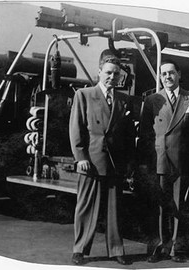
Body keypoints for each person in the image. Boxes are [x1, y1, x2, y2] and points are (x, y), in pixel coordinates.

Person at [69, 55, 135, 266]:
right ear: (99, 72)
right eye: (108, 72)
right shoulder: (84, 95)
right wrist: (80, 158)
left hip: (115, 163)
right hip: (92, 161)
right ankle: (80, 249)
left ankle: (116, 250)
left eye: (116, 74)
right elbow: (76, 129)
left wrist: (128, 163)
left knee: (115, 211)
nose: (112, 77)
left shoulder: (124, 100)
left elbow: (126, 135)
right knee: (86, 207)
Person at [138, 59, 189, 263]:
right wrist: (145, 161)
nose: (168, 77)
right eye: (163, 74)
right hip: (160, 160)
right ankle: (161, 246)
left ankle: (176, 248)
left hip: (182, 160)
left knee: (179, 205)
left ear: (179, 74)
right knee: (162, 205)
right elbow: (144, 133)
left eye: (171, 73)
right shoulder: (152, 100)